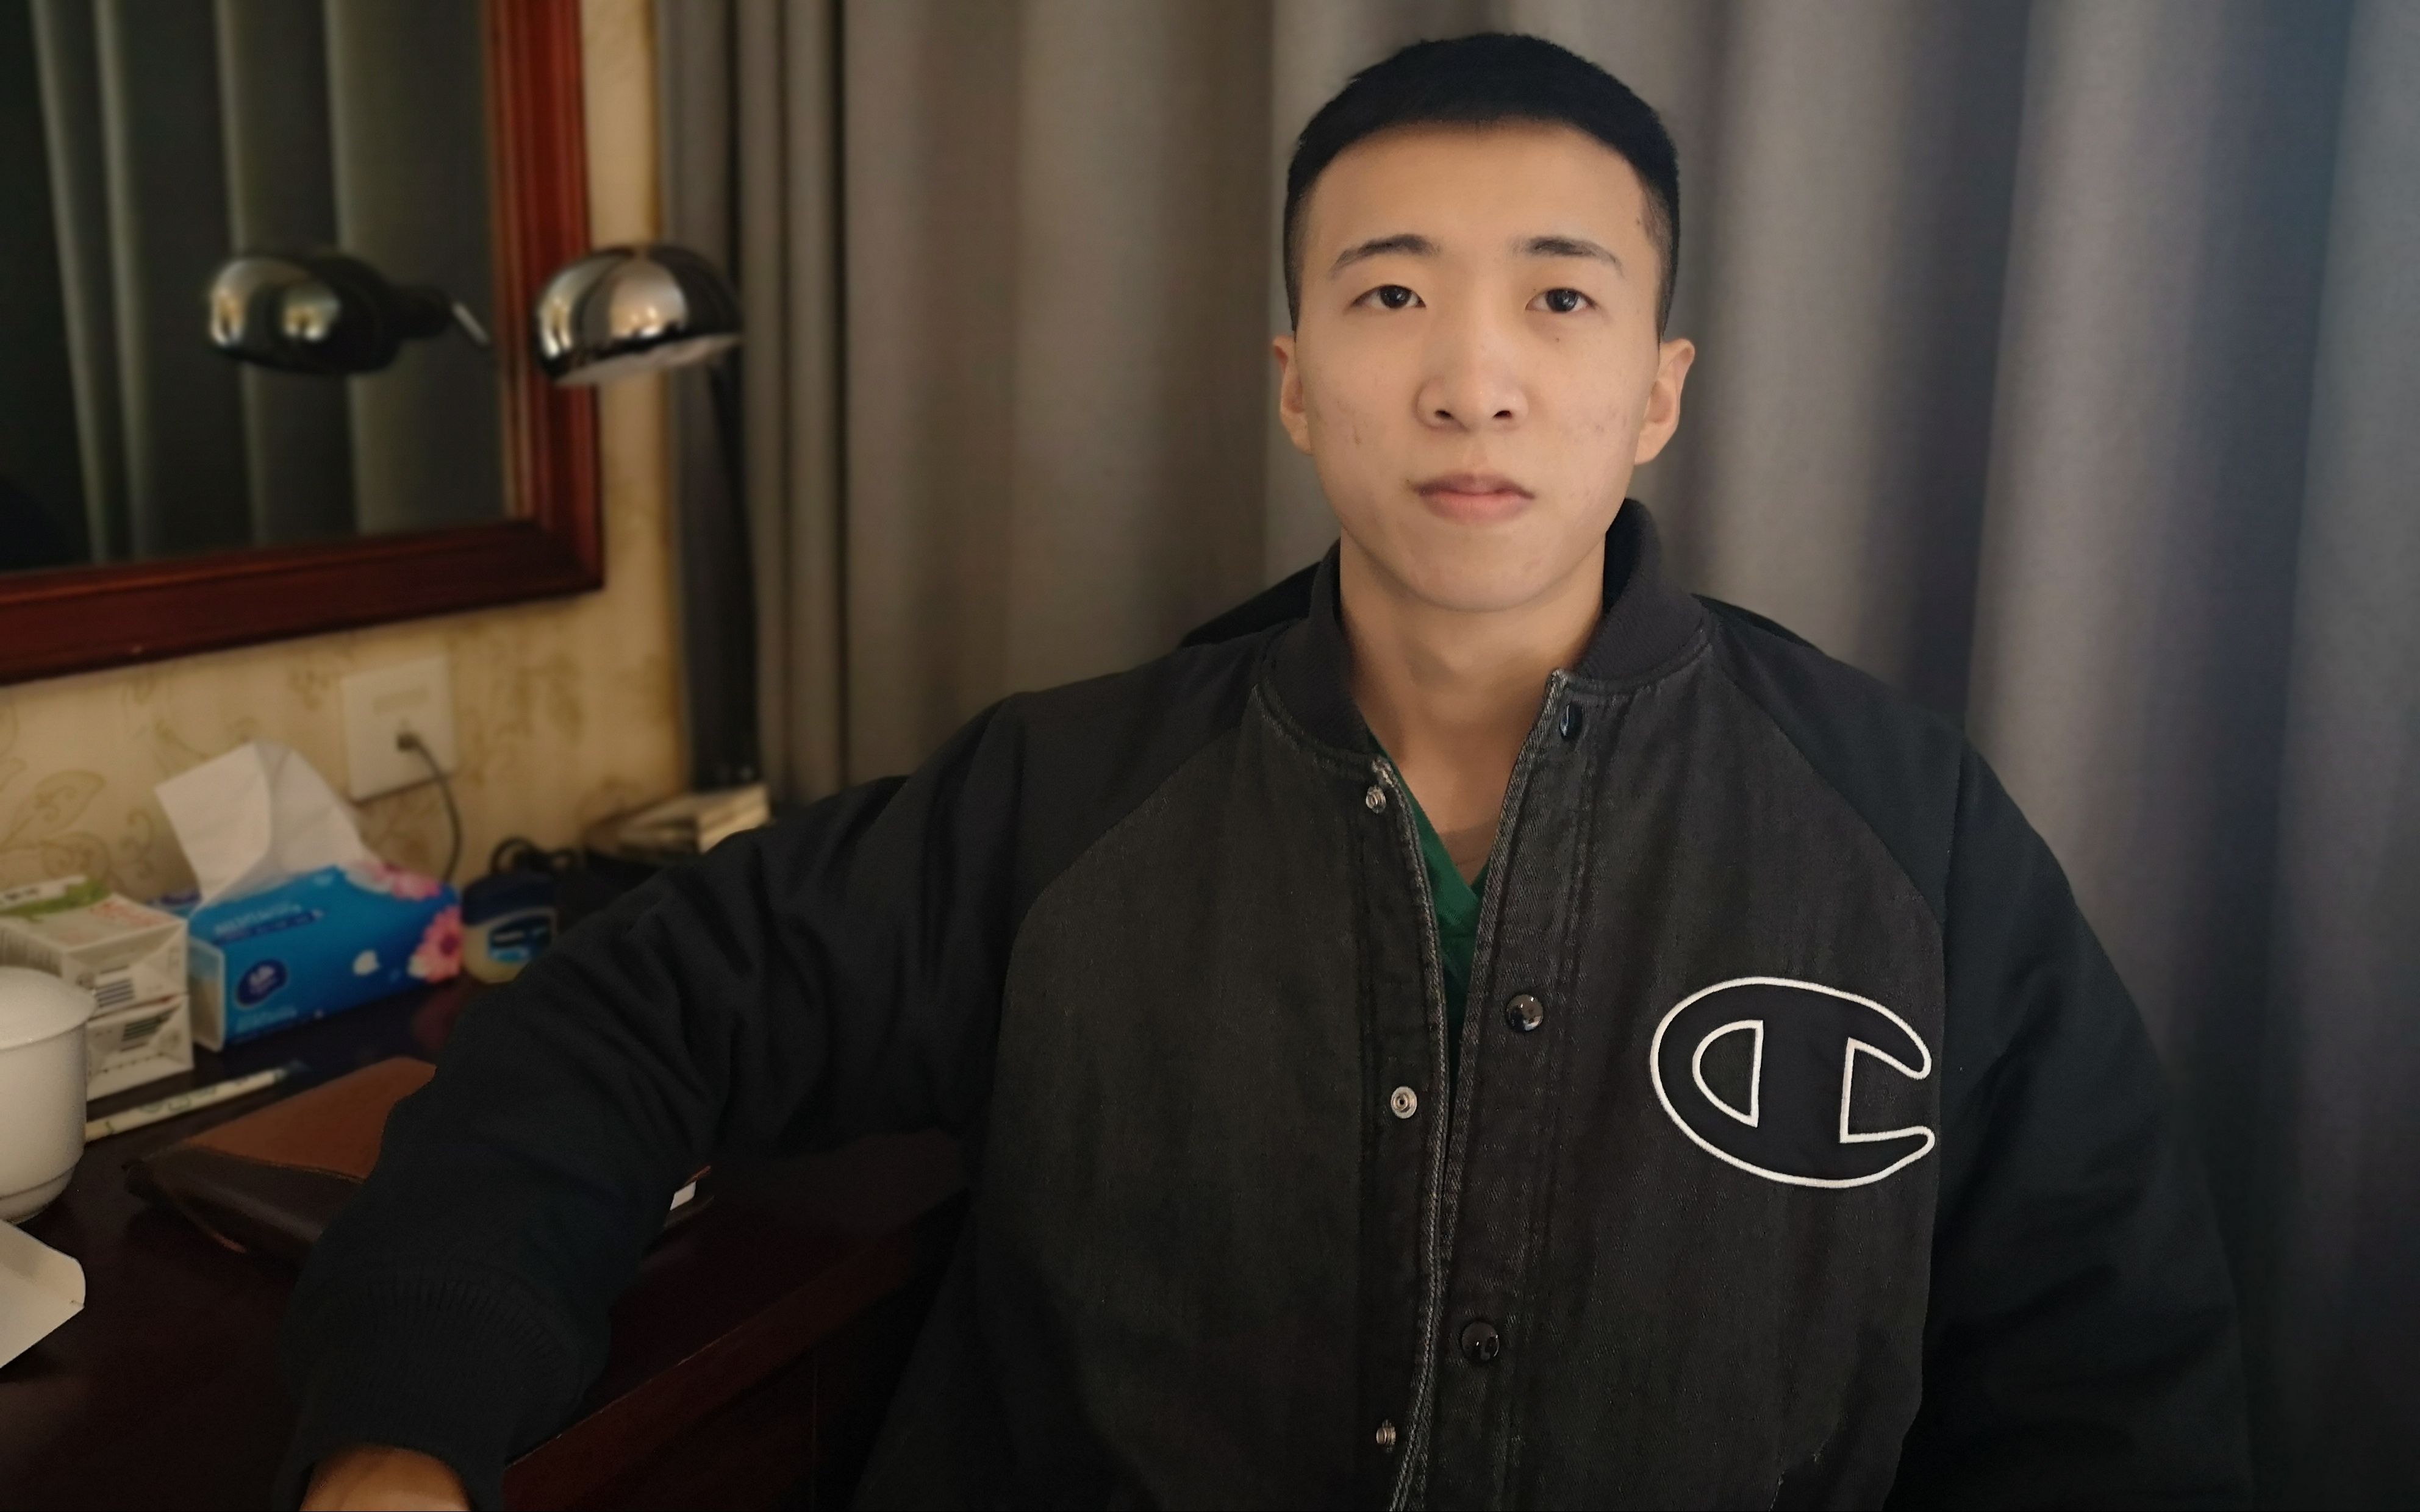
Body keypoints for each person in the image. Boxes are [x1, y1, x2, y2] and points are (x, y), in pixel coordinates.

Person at [290, 34, 2248, 1510]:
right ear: (1298, 377)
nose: (1472, 380)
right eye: (1391, 294)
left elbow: (2113, 1380)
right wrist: (401, 1434)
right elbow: (621, 1022)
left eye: (1561, 297)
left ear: (1658, 388)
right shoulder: (1067, 798)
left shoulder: (1908, 834)